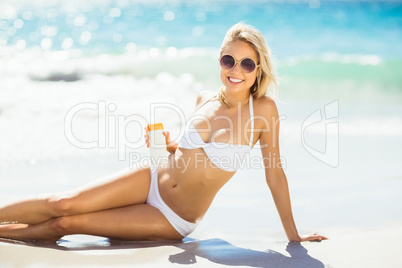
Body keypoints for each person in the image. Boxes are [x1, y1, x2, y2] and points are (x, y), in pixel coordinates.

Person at [0, 23, 327, 243]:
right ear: (220, 61)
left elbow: (275, 175)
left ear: (259, 70)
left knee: (65, 225)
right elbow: (183, 157)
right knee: (64, 203)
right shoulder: (204, 99)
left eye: (247, 64)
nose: (236, 70)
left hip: (173, 216)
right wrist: (166, 145)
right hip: (152, 176)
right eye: (229, 60)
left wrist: (293, 236)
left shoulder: (263, 110)